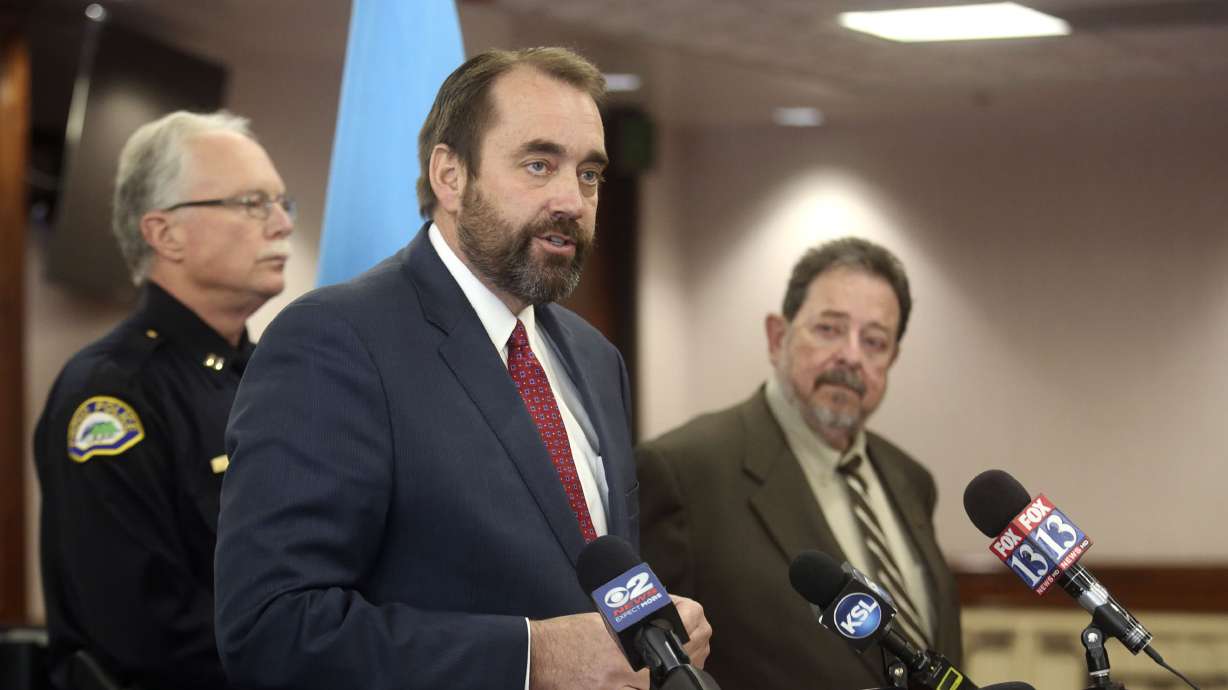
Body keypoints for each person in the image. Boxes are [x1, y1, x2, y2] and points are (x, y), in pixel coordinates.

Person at [214, 47, 711, 690]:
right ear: (450, 176)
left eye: (589, 174)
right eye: (539, 164)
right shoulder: (335, 342)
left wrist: (651, 629)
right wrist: (531, 658)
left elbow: (588, 572)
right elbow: (271, 629)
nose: (572, 199)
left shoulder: (595, 358)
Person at [33, 110, 294, 690]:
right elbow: (142, 629)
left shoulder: (272, 379)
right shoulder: (110, 397)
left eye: (282, 203)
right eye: (252, 203)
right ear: (164, 232)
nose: (280, 224)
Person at [637, 237, 962, 690]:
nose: (851, 356)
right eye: (829, 329)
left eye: (874, 341)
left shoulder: (911, 479)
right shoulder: (682, 471)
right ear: (778, 337)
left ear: (891, 359)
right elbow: (653, 665)